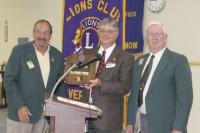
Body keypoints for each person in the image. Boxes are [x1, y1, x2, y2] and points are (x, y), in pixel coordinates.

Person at [126, 21, 193, 133]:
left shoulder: (178, 61)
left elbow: (185, 98)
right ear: (147, 38)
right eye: (150, 34)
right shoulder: (139, 62)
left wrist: (179, 128)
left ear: (165, 38)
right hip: (140, 123)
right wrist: (130, 123)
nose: (154, 37)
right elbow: (133, 95)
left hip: (166, 125)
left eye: (158, 34)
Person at [4, 19, 66, 133]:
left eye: (46, 32)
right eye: (39, 32)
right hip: (22, 115)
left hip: (46, 117)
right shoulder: (19, 51)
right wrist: (20, 105)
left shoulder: (57, 56)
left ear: (50, 35)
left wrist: (62, 109)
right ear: (33, 33)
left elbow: (61, 84)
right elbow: (9, 80)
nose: (42, 36)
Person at [83, 18, 134, 133]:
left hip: (108, 119)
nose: (105, 34)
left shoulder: (125, 57)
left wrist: (101, 84)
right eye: (102, 31)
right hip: (84, 115)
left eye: (110, 31)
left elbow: (125, 86)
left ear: (116, 34)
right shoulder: (89, 53)